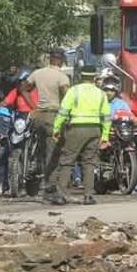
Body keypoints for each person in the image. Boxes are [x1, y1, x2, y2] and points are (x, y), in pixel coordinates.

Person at [48, 77, 111, 205]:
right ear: (94, 78)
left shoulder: (73, 91)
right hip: (94, 129)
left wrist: (56, 128)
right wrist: (105, 136)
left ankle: (61, 195)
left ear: (81, 77)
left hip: (76, 129)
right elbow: (106, 116)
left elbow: (63, 111)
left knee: (67, 161)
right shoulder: (101, 93)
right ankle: (88, 196)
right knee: (89, 163)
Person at [27, 49, 70, 190]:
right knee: (54, 152)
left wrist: (33, 106)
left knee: (41, 146)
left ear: (50, 59)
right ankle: (50, 186)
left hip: (39, 115)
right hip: (54, 116)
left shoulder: (37, 73)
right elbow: (67, 98)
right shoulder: (62, 77)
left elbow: (23, 88)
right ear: (61, 60)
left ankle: (35, 167)